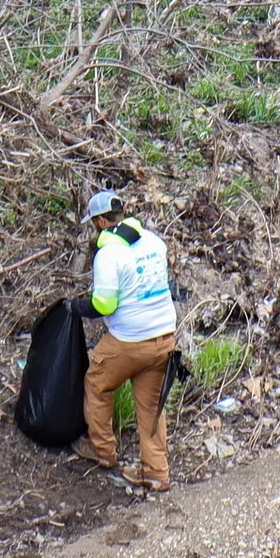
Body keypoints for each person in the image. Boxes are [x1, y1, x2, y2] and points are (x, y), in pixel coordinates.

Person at [69, 190, 176, 492]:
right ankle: (157, 473)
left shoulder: (109, 255)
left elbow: (104, 305)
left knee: (97, 384)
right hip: (165, 335)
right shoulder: (154, 241)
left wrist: (75, 307)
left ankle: (102, 451)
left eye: (94, 222)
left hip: (130, 340)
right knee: (152, 406)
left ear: (102, 221)